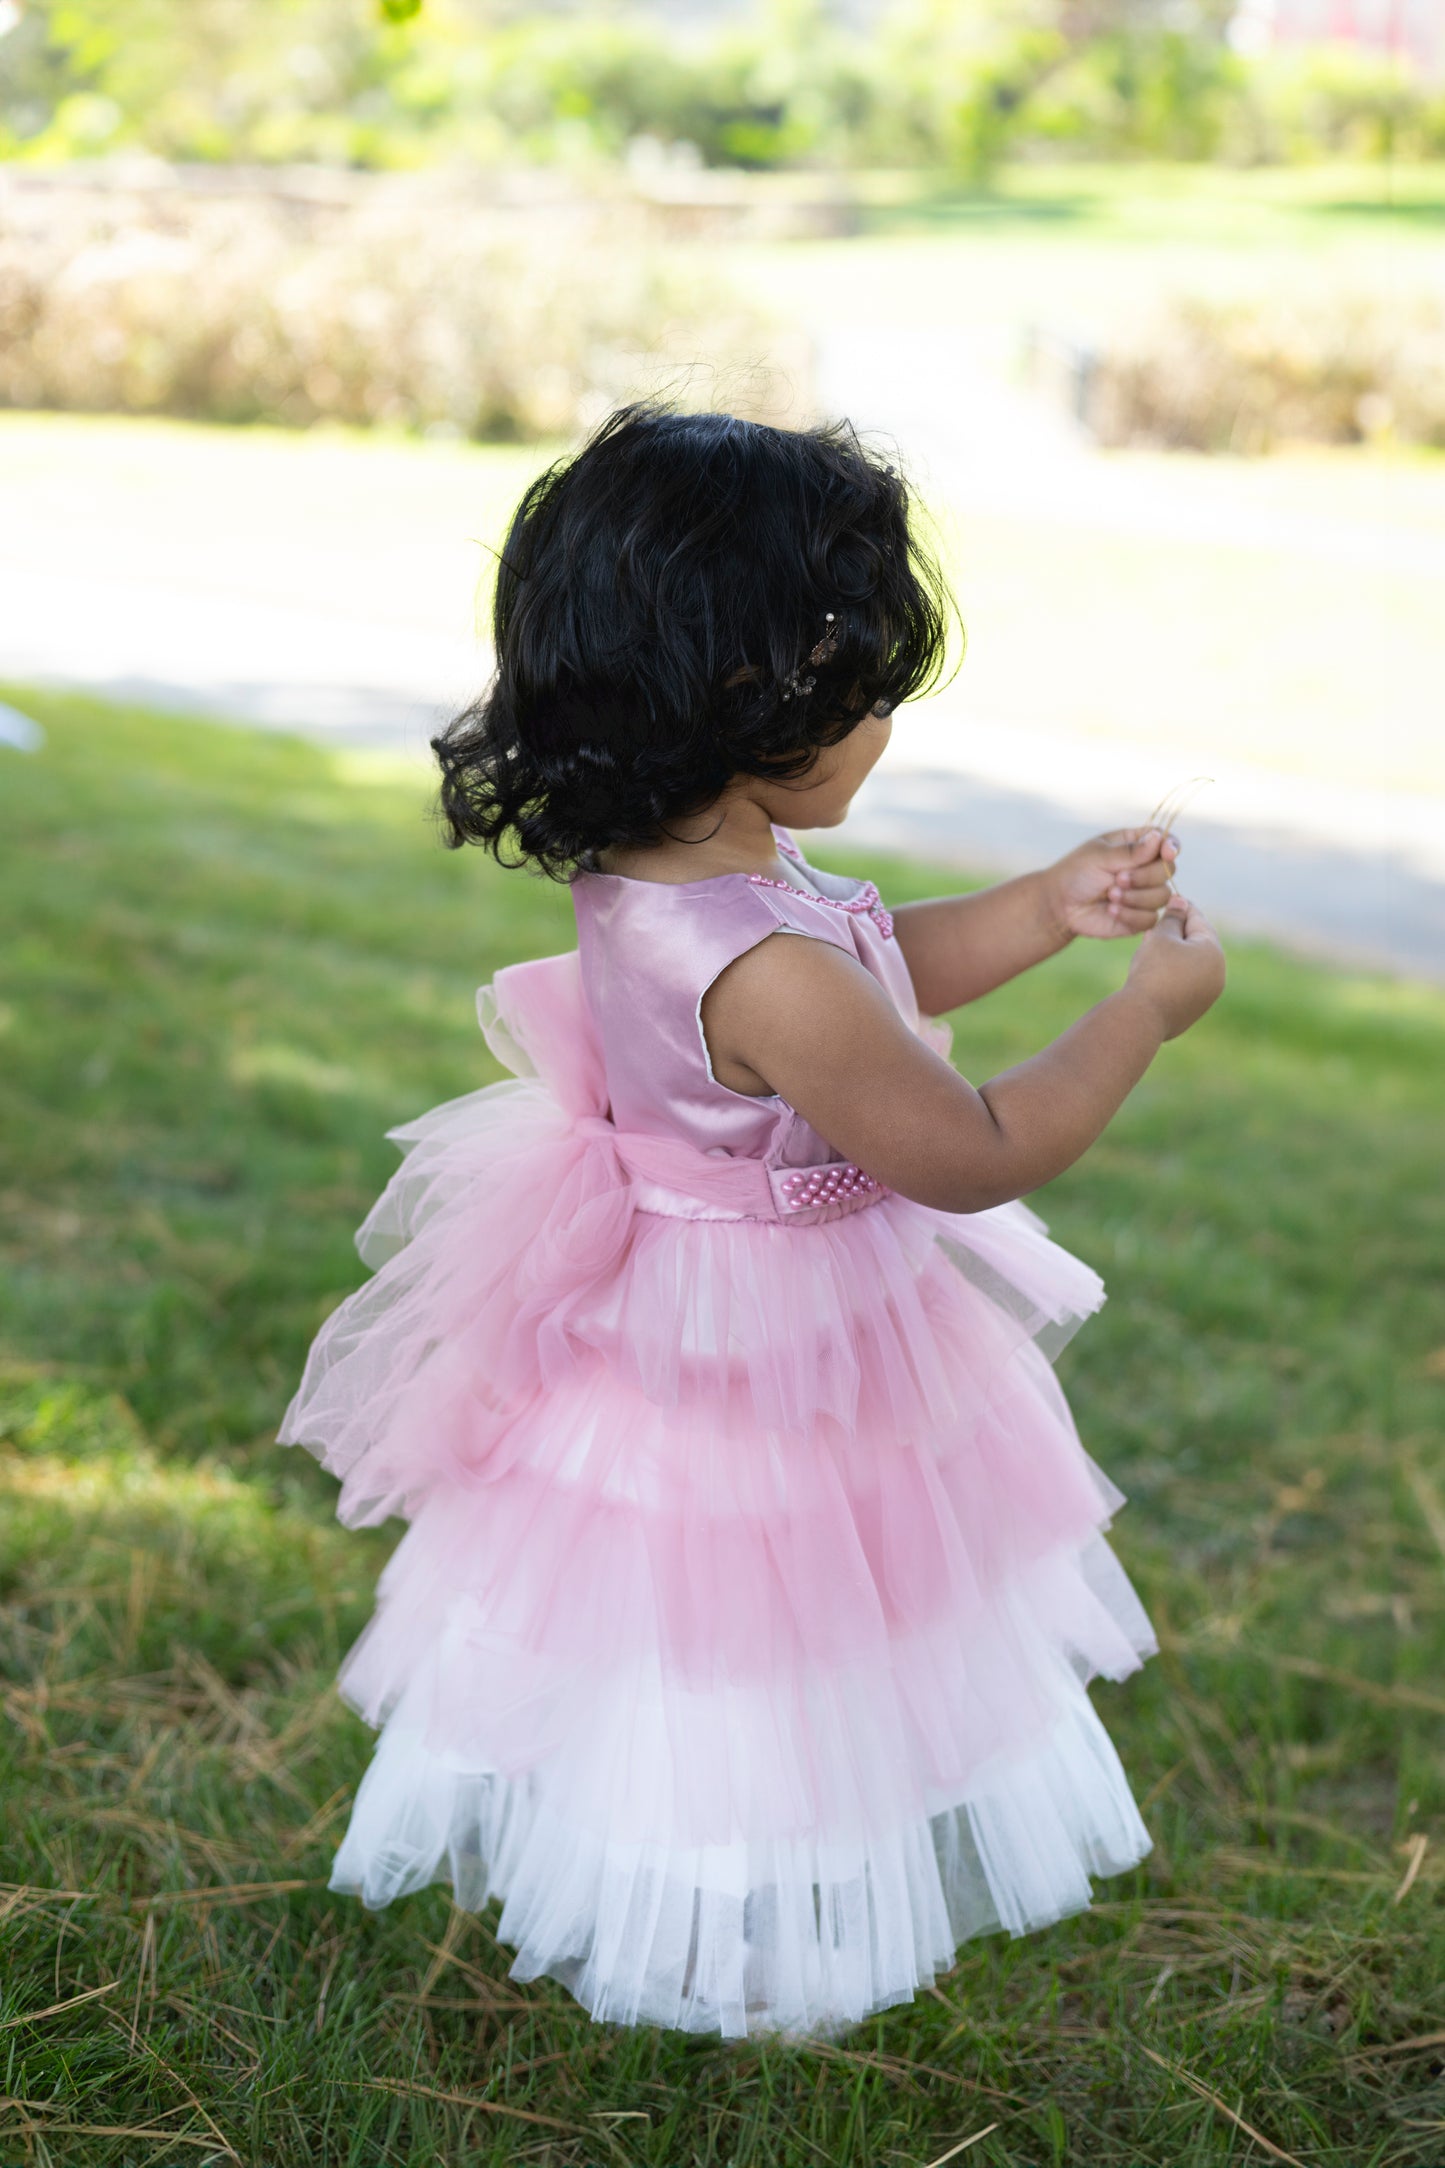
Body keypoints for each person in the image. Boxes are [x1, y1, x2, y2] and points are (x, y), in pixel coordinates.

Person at [279, 404, 1226, 2040]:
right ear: (748, 695)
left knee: (731, 1611)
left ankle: (725, 1878)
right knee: (767, 1616)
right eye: (862, 698)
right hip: (764, 1336)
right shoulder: (757, 957)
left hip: (719, 1299)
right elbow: (968, 1146)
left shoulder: (692, 874)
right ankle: (719, 1928)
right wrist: (1141, 1012)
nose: (881, 732)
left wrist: (1049, 909)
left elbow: (878, 968)